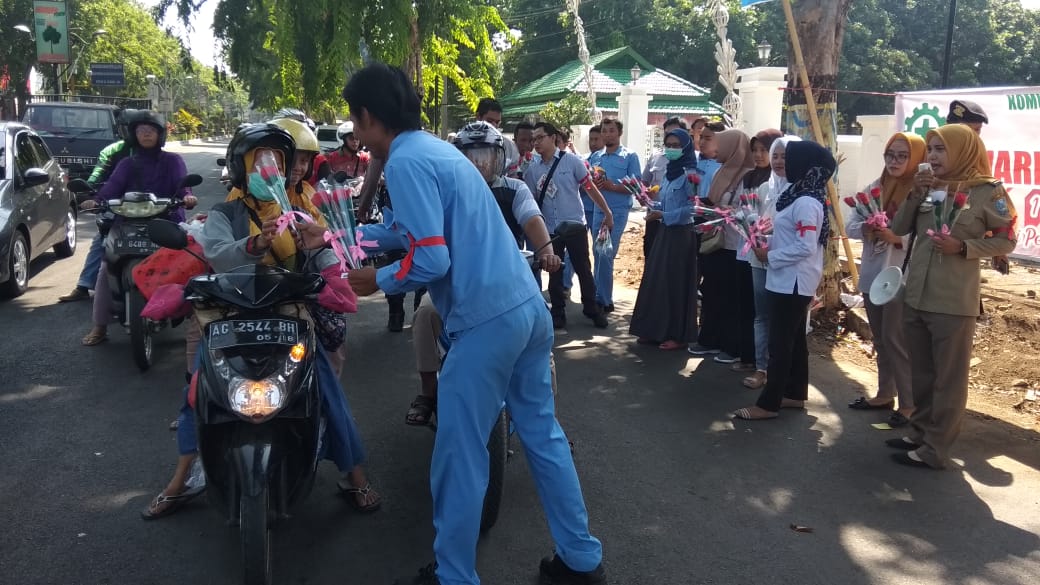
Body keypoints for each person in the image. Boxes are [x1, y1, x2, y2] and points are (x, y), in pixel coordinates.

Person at [337, 64, 605, 585]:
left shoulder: (406, 163)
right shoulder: (435, 151)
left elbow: (431, 261)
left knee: (459, 456)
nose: (355, 129)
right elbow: (406, 229)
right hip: (527, 311)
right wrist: (350, 238)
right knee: (542, 437)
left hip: (486, 324)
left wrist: (378, 280)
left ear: (368, 117)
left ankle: (454, 575)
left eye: (354, 118)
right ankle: (580, 558)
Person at [141, 123, 380, 519]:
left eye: (276, 160)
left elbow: (328, 259)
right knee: (196, 395)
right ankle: (180, 481)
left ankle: (355, 476)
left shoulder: (300, 211)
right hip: (231, 315)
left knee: (327, 392)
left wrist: (324, 253)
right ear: (242, 166)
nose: (268, 167)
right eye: (259, 160)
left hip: (290, 315)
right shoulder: (226, 212)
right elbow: (217, 254)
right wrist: (256, 243)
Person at [400, 121, 561, 426]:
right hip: (456, 289)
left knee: (542, 352)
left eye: (487, 155)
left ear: (500, 157)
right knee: (424, 314)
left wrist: (546, 252)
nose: (479, 163)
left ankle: (548, 422)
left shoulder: (515, 189)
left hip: (511, 289)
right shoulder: (445, 191)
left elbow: (532, 222)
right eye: (471, 155)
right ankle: (428, 391)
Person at [886, 124, 1016, 469]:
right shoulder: (929, 187)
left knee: (949, 379)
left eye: (940, 149)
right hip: (917, 295)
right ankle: (919, 433)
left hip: (953, 301)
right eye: (930, 149)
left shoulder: (988, 192)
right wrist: (915, 194)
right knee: (922, 374)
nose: (933, 156)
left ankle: (936, 449)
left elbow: (1006, 240)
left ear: (963, 151)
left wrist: (964, 247)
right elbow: (898, 230)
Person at [733, 141, 835, 421]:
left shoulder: (806, 202)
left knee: (780, 344)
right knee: (793, 342)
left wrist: (769, 256)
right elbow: (790, 236)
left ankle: (769, 404)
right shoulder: (795, 195)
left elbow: (805, 246)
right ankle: (794, 393)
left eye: (790, 160)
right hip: (786, 278)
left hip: (793, 281)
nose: (782, 164)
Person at [79, 111, 196, 346]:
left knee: (191, 263)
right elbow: (111, 188)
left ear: (160, 134)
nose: (145, 133)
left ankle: (195, 324)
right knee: (106, 267)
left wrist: (188, 198)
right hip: (128, 224)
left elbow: (183, 188)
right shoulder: (127, 163)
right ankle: (100, 326)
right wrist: (95, 200)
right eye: (141, 130)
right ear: (133, 134)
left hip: (166, 221)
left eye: (150, 130)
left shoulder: (172, 161)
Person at [846, 132, 925, 427]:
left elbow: (928, 237)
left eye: (902, 156)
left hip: (900, 275)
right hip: (873, 272)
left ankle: (909, 403)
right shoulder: (875, 188)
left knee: (895, 338)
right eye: (890, 155)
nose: (894, 161)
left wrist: (897, 238)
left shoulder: (919, 195)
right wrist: (867, 228)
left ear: (916, 158)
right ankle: (884, 393)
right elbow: (851, 225)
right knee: (880, 337)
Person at [528, 121, 613, 330]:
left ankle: (592, 308)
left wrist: (607, 212)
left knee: (584, 268)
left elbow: (590, 188)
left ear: (553, 138)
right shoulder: (532, 168)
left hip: (574, 224)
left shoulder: (572, 162)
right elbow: (529, 199)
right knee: (554, 271)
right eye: (533, 139)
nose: (536, 143)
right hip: (550, 228)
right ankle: (557, 312)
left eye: (540, 138)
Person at [58, 109, 141, 303]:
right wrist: (90, 195)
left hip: (151, 208)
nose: (137, 134)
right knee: (102, 241)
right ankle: (84, 285)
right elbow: (98, 174)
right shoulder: (112, 151)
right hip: (118, 207)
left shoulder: (161, 156)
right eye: (132, 129)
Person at [629, 128, 699, 350]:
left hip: (681, 236)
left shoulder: (691, 175)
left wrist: (664, 215)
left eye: (677, 145)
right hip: (664, 233)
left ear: (686, 147)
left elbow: (693, 209)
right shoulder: (670, 173)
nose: (671, 148)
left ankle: (676, 335)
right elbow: (666, 203)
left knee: (675, 284)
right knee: (656, 281)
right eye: (668, 144)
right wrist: (651, 204)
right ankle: (653, 330)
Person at [688, 129, 754, 362]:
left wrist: (722, 211)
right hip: (716, 240)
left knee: (729, 296)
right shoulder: (724, 171)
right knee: (712, 292)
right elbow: (717, 201)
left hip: (735, 245)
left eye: (721, 144)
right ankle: (710, 339)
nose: (716, 148)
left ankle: (731, 345)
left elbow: (748, 210)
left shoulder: (747, 174)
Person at [743, 135, 802, 390]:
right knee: (762, 315)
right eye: (775, 155)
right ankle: (761, 368)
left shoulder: (802, 190)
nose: (778, 161)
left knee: (786, 320)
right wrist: (754, 231)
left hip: (788, 262)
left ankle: (785, 373)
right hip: (760, 258)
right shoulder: (765, 188)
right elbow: (751, 218)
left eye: (784, 156)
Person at [730, 129, 783, 373]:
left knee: (766, 312)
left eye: (765, 150)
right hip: (748, 249)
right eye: (756, 151)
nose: (760, 156)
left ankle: (764, 363)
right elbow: (740, 207)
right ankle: (748, 356)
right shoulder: (750, 177)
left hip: (770, 252)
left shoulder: (778, 183)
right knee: (746, 304)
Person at [588, 117, 641, 314]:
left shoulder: (629, 156)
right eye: (605, 130)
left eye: (611, 130)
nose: (607, 134)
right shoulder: (596, 157)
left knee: (606, 253)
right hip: (597, 211)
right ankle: (598, 294)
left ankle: (604, 299)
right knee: (597, 252)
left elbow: (636, 187)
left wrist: (613, 186)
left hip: (617, 212)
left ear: (619, 133)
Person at [641, 117, 688, 258]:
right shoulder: (656, 157)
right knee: (652, 260)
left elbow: (693, 205)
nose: (671, 139)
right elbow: (644, 183)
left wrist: (667, 215)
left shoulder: (693, 162)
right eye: (668, 135)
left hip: (680, 225)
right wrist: (644, 195)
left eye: (676, 135)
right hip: (655, 218)